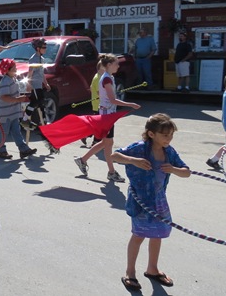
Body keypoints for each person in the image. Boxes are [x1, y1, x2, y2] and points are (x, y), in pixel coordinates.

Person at [111, 113, 189, 291]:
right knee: (139, 235)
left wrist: (174, 169)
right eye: (165, 135)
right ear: (151, 134)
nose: (169, 139)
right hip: (141, 201)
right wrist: (133, 161)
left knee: (157, 234)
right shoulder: (139, 148)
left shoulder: (169, 152)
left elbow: (186, 172)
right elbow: (114, 156)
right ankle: (130, 272)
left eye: (171, 135)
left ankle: (152, 268)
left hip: (159, 200)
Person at [74, 54, 141, 182]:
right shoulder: (106, 79)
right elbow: (112, 100)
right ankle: (110, 172)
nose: (118, 66)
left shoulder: (109, 77)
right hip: (106, 116)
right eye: (116, 63)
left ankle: (83, 160)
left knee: (107, 142)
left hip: (107, 114)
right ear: (109, 65)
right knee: (108, 143)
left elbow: (106, 97)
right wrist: (130, 104)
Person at [0, 59, 37, 159]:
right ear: (7, 70)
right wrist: (17, 99)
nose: (16, 69)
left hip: (13, 112)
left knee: (16, 131)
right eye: (13, 68)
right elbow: (4, 97)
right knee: (3, 132)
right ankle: (0, 151)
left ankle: (23, 149)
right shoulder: (5, 81)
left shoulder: (13, 79)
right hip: (5, 113)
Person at [21, 38, 51, 130]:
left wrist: (46, 84)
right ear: (38, 48)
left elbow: (42, 74)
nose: (45, 49)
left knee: (41, 103)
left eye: (46, 47)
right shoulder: (33, 59)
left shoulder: (42, 59)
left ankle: (44, 121)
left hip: (39, 85)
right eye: (43, 47)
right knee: (36, 102)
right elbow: (30, 73)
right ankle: (25, 119)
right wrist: (28, 84)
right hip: (34, 86)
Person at [80, 61, 105, 148]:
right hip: (98, 105)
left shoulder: (100, 77)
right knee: (99, 124)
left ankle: (86, 135)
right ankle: (95, 141)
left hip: (99, 104)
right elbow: (99, 93)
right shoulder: (98, 78)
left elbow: (91, 88)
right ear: (100, 68)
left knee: (98, 124)